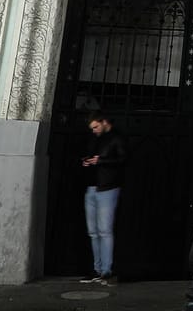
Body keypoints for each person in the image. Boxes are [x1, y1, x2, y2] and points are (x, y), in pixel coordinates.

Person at [79, 111, 125, 284]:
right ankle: (97, 269)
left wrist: (101, 161)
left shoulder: (116, 139)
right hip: (92, 187)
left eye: (96, 127)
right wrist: (87, 161)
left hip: (108, 188)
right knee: (93, 232)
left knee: (104, 231)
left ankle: (106, 270)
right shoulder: (95, 139)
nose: (94, 130)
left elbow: (123, 160)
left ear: (104, 122)